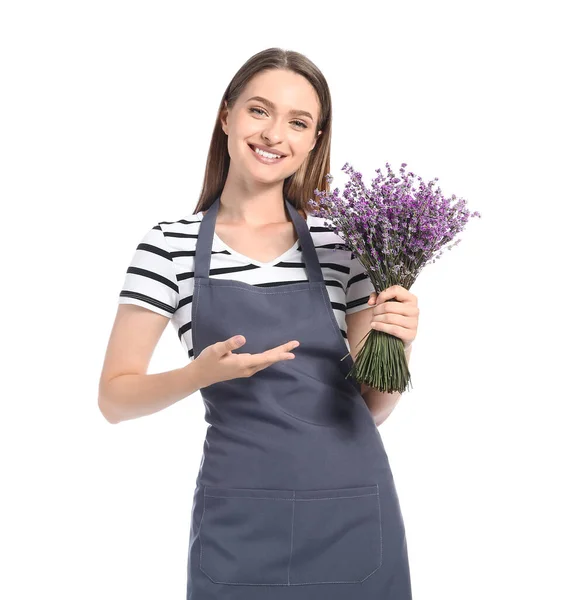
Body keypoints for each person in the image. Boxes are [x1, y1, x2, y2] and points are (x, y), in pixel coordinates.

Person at [99, 47, 418, 599]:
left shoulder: (344, 246)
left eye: (298, 122)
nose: (274, 134)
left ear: (314, 140)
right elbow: (115, 399)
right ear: (226, 116)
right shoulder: (168, 246)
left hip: (353, 512)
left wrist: (400, 340)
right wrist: (198, 374)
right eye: (258, 111)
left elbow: (374, 407)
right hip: (239, 517)